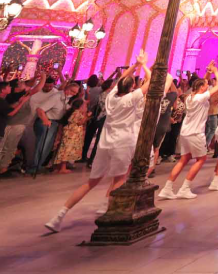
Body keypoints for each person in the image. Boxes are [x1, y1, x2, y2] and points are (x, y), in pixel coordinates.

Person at [45, 52, 152, 232]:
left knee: (91, 182)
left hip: (105, 143)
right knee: (119, 180)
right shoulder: (130, 98)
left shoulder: (111, 97)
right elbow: (151, 83)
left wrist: (135, 66)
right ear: (132, 87)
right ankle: (110, 214)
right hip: (122, 142)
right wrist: (145, 65)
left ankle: (59, 215)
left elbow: (120, 80)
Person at [158, 63, 218, 200]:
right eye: (206, 85)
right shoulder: (201, 97)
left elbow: (201, 83)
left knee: (184, 159)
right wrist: (216, 72)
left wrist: (208, 72)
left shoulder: (190, 97)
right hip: (195, 133)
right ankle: (184, 188)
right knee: (201, 159)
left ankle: (167, 188)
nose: (208, 85)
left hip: (186, 132)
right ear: (201, 88)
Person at [52, 97, 89, 173]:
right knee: (66, 151)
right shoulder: (77, 113)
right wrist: (87, 115)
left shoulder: (72, 111)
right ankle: (62, 168)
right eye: (85, 106)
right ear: (81, 106)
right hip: (72, 135)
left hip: (70, 133)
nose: (86, 108)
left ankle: (59, 167)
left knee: (63, 150)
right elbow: (80, 122)